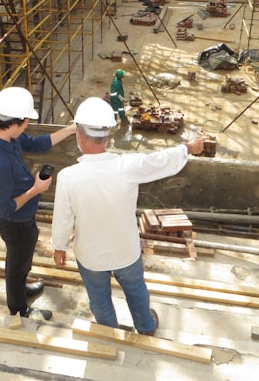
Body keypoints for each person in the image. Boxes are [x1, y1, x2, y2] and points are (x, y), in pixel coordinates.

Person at [51, 97, 204, 336]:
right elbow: (161, 161)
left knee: (99, 298)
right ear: (109, 134)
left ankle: (108, 333)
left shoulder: (68, 177)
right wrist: (188, 147)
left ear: (79, 135)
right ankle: (146, 327)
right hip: (126, 251)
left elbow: (62, 218)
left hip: (91, 256)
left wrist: (59, 247)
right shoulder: (128, 166)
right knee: (136, 290)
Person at [0, 86, 76, 320]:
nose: (27, 127)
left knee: (22, 259)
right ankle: (18, 308)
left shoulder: (6, 135)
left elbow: (37, 144)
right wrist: (36, 190)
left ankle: (22, 289)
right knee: (16, 263)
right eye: (25, 122)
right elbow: (4, 208)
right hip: (14, 221)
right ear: (13, 123)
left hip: (24, 218)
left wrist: (70, 130)